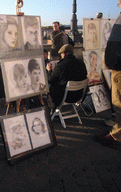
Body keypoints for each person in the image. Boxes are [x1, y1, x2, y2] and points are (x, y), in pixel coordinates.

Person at [93, 0, 121, 146]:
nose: (119, 4)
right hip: (117, 67)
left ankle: (117, 136)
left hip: (119, 69)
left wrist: (114, 61)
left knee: (119, 104)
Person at [46, 44, 87, 112]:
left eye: (61, 54)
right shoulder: (81, 63)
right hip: (79, 95)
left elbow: (51, 80)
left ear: (64, 54)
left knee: (51, 87)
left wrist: (49, 70)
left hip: (66, 97)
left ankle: (53, 109)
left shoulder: (61, 65)